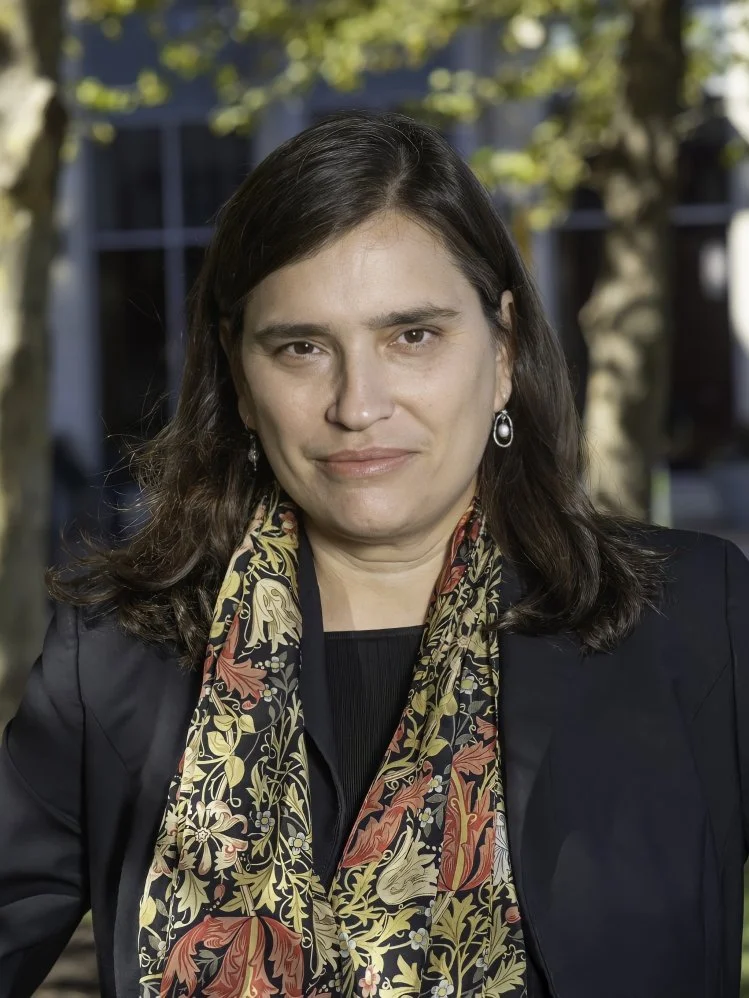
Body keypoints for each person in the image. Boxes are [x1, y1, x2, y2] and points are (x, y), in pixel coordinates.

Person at [1, 109, 748, 998]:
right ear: (241, 382)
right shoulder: (119, 659)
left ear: (502, 352)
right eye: (302, 347)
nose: (358, 404)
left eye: (413, 336)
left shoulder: (696, 617)